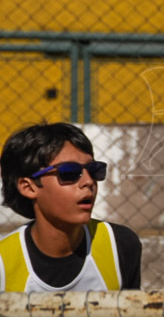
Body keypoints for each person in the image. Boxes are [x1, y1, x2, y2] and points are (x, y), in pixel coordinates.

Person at [0, 122, 142, 292]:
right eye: (68, 172)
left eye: (94, 170)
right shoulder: (3, 262)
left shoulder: (120, 245)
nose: (89, 181)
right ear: (28, 187)